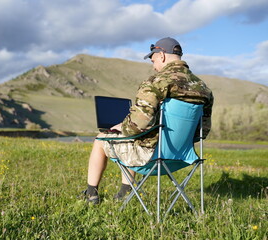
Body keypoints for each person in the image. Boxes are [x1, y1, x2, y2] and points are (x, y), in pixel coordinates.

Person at [82, 37, 214, 204]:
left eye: (153, 60)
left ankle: (91, 194)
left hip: (150, 158)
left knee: (101, 139)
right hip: (182, 158)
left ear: (162, 56)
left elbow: (137, 126)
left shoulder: (156, 82)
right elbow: (203, 130)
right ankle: (124, 192)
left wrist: (120, 127)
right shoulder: (204, 88)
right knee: (133, 137)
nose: (153, 66)